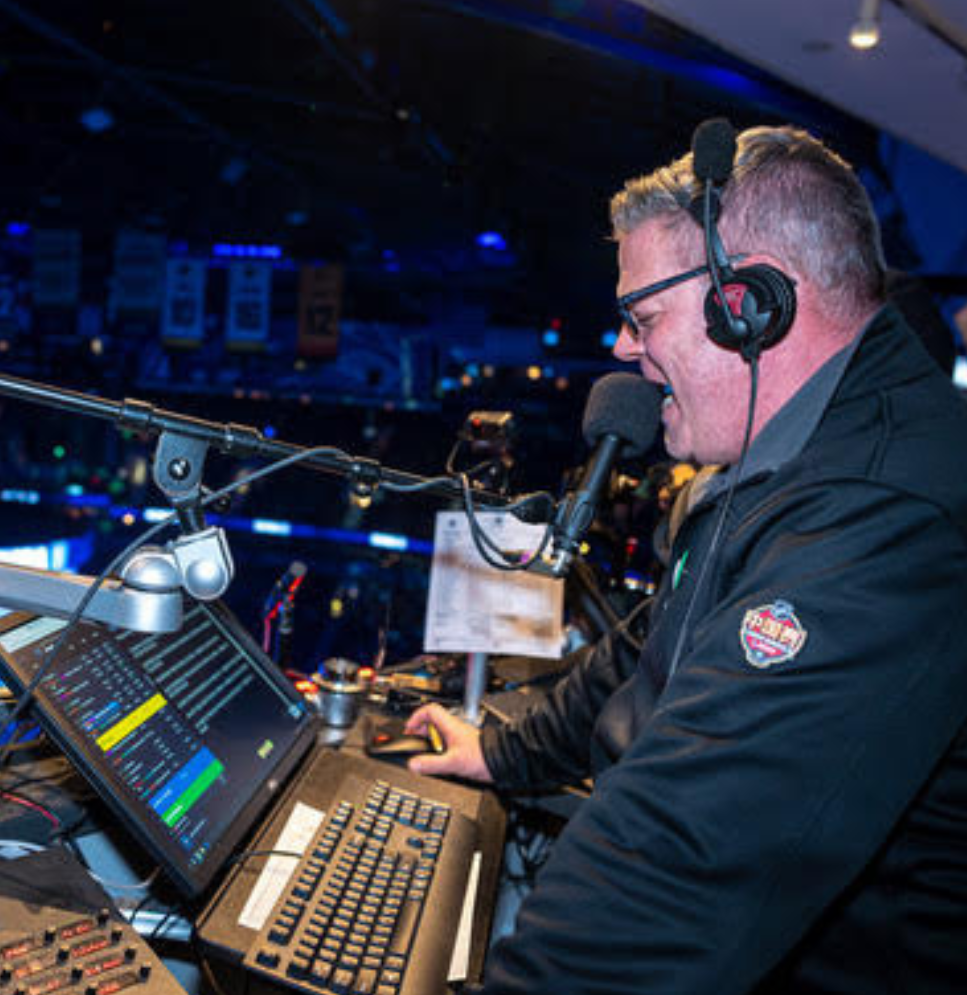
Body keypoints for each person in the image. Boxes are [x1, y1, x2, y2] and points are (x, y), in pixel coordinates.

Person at [407, 124, 967, 994]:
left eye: (642, 317)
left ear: (750, 306)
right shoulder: (778, 464)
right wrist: (505, 753)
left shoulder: (884, 511)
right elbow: (648, 653)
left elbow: (691, 850)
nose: (624, 350)